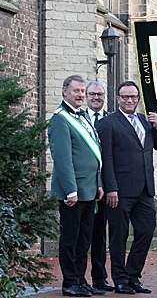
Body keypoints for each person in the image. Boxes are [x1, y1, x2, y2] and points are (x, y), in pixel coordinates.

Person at [97, 81, 157, 294]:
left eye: (133, 97)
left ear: (138, 99)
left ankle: (133, 275)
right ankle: (119, 279)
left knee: (146, 231)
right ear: (118, 98)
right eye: (125, 97)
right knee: (118, 237)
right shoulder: (108, 123)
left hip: (145, 190)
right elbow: (106, 158)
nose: (129, 100)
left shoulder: (146, 121)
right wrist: (111, 188)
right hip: (120, 191)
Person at [48, 74, 105, 297]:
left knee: (84, 240)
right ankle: (69, 282)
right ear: (64, 92)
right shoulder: (60, 119)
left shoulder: (83, 117)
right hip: (73, 192)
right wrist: (71, 190)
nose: (81, 95)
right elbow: (63, 159)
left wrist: (99, 184)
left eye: (82, 91)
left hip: (90, 189)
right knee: (70, 240)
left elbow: (94, 155)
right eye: (76, 91)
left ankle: (81, 280)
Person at [84, 81, 113, 292]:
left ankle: (100, 277)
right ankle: (79, 278)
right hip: (86, 186)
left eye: (100, 94)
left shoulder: (111, 120)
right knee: (84, 234)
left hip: (108, 186)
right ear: (86, 96)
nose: (96, 98)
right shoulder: (79, 119)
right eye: (92, 94)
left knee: (100, 236)